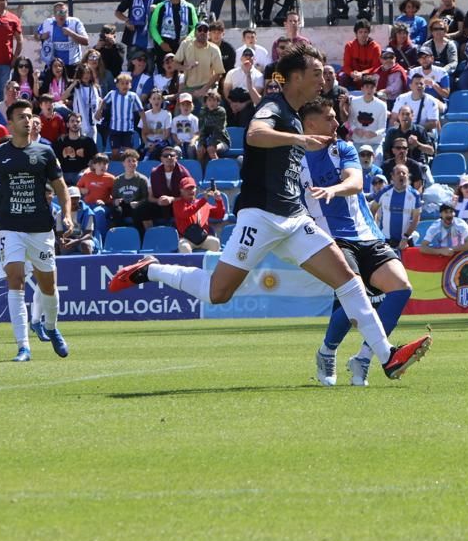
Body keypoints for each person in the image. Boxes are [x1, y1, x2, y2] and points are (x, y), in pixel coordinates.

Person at [108, 44, 431, 382]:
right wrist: (300, 139)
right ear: (295, 78)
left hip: (293, 219)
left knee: (349, 283)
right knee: (217, 294)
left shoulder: (294, 114)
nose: (323, 79)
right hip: (260, 217)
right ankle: (152, 270)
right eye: (316, 73)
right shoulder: (273, 107)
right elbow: (255, 134)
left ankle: (387, 356)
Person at [299, 97, 415, 388]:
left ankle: (363, 357)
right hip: (332, 240)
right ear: (310, 125)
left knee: (401, 288)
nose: (337, 123)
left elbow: (356, 182)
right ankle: (328, 351)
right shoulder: (294, 161)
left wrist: (332, 190)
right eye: (329, 118)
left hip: (367, 234)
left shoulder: (344, 148)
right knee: (357, 302)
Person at [0, 99, 73, 362]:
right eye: (21, 116)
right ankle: (23, 346)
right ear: (9, 123)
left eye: (30, 116)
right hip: (8, 227)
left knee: (48, 285)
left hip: (40, 228)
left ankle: (50, 326)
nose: (27, 120)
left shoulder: (45, 153)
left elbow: (60, 187)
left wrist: (66, 214)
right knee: (16, 280)